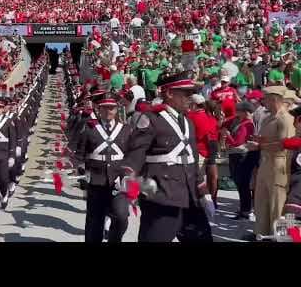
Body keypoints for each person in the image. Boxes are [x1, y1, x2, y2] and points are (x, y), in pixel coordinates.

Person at [126, 71, 214, 242]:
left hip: (190, 196)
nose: (191, 97)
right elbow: (135, 154)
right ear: (169, 93)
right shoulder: (151, 118)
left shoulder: (187, 121)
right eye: (186, 93)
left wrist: (204, 193)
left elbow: (192, 160)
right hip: (162, 196)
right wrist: (130, 185)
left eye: (192, 93)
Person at [74, 92, 133, 242]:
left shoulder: (126, 129)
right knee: (95, 222)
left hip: (118, 182)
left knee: (121, 217)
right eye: (105, 108)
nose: (109, 111)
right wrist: (82, 173)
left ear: (116, 109)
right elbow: (80, 154)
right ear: (99, 109)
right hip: (96, 181)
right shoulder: (89, 128)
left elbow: (132, 156)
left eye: (111, 108)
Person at [251, 85, 296, 239]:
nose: (264, 103)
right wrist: (259, 141)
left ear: (274, 99)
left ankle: (280, 237)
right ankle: (261, 234)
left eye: (267, 100)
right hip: (265, 163)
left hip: (279, 165)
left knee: (278, 204)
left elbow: (285, 144)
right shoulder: (269, 117)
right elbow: (271, 138)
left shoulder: (286, 119)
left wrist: (260, 145)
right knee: (262, 201)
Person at [221, 101, 256, 220]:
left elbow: (237, 142)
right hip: (238, 155)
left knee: (242, 184)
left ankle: (245, 210)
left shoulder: (247, 124)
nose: (236, 113)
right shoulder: (243, 122)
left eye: (239, 111)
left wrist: (227, 135)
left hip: (241, 156)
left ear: (245, 112)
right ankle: (244, 208)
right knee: (241, 184)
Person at [187, 95, 219, 208]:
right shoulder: (211, 117)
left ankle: (198, 202)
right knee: (212, 178)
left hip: (198, 151)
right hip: (211, 151)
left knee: (197, 179)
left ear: (193, 105)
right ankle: (212, 201)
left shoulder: (190, 116)